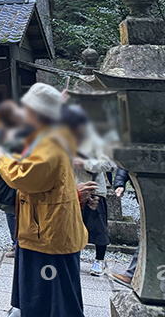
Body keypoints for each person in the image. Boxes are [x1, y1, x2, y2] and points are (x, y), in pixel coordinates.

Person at [0, 82, 88, 317]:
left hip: (48, 231)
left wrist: (1, 157)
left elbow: (25, 177)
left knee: (53, 299)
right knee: (41, 291)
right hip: (41, 226)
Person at [109, 169, 165, 288]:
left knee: (158, 237)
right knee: (155, 236)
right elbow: (127, 161)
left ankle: (135, 275)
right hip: (153, 194)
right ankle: (139, 276)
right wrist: (120, 182)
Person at [62, 104, 115, 276]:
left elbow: (109, 164)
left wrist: (85, 163)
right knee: (71, 226)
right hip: (72, 187)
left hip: (93, 188)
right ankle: (73, 258)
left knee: (98, 227)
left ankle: (99, 260)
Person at [0, 100, 29, 256]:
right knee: (10, 212)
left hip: (13, 174)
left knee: (14, 212)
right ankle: (16, 243)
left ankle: (19, 244)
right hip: (3, 175)